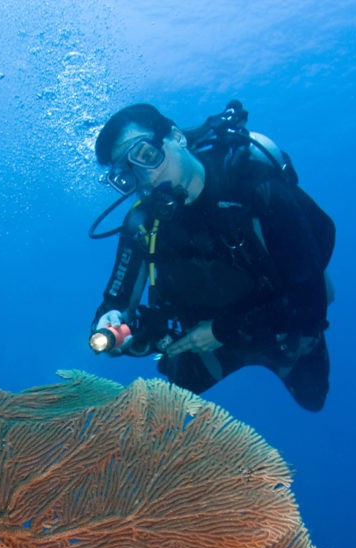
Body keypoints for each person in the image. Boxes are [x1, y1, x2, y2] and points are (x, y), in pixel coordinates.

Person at [88, 100, 335, 411]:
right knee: (173, 396)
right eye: (127, 174)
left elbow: (310, 300)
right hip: (202, 337)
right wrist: (109, 325)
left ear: (176, 137)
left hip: (277, 324)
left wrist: (221, 331)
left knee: (314, 397)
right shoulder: (143, 224)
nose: (146, 178)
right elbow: (115, 303)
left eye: (147, 155)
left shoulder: (253, 185)